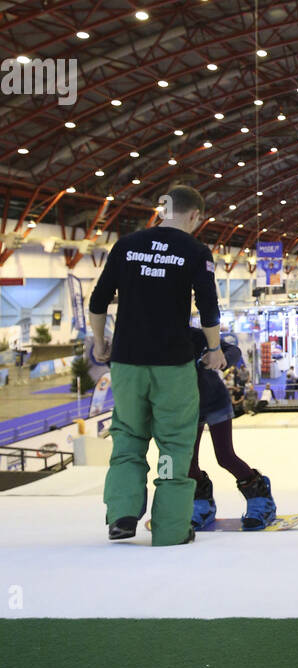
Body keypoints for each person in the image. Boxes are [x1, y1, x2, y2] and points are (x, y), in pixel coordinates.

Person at [87, 184, 224, 546]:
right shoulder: (195, 251)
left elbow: (98, 302)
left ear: (163, 209)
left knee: (128, 438)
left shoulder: (126, 245)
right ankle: (169, 528)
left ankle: (122, 514)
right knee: (173, 445)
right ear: (194, 215)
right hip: (171, 366)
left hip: (127, 363)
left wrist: (100, 343)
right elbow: (209, 308)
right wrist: (214, 349)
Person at [187, 326, 276, 530]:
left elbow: (233, 350)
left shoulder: (195, 336)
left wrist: (221, 358)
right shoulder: (157, 339)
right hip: (186, 408)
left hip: (215, 402)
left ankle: (261, 499)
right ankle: (202, 503)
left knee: (225, 456)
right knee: (188, 462)